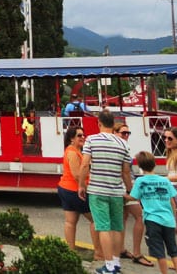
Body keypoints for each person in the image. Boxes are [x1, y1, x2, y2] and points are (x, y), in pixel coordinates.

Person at [78, 109, 132, 274]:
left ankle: (109, 266)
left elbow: (85, 164)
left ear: (99, 123)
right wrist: (129, 189)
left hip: (97, 190)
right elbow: (125, 171)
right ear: (112, 123)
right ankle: (116, 262)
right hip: (116, 190)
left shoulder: (92, 140)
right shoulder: (123, 143)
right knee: (117, 227)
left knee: (103, 228)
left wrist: (81, 185)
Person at [128, 151, 177, 274]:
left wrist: (124, 196)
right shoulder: (165, 181)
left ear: (140, 166)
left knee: (159, 251)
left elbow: (134, 197)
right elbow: (172, 202)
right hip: (168, 220)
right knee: (173, 249)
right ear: (154, 163)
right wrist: (174, 219)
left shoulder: (140, 182)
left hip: (152, 220)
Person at [57, 126, 102, 259]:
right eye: (79, 135)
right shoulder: (72, 152)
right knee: (95, 220)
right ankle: (98, 253)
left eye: (83, 135)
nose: (83, 137)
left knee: (70, 221)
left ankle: (71, 251)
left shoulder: (74, 151)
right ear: (72, 138)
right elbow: (77, 175)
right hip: (75, 190)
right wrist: (88, 188)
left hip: (66, 189)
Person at [113, 122, 153, 266]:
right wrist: (131, 190)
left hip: (120, 187)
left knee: (123, 218)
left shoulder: (118, 147)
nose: (126, 136)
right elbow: (125, 172)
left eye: (127, 133)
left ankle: (121, 249)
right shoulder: (122, 148)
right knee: (139, 216)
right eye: (123, 133)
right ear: (115, 133)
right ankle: (137, 253)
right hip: (125, 186)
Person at [164, 127, 177, 249]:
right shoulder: (172, 153)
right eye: (165, 137)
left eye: (170, 138)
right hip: (173, 191)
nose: (166, 140)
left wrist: (165, 179)